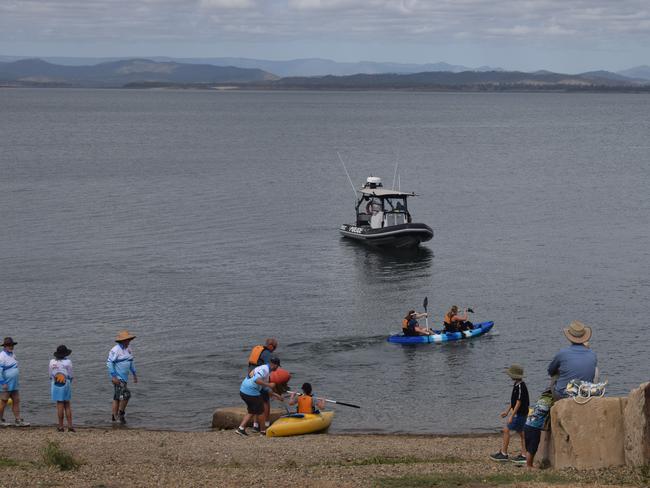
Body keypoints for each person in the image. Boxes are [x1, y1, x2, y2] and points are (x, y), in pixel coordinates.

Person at [547, 321, 597, 401]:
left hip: (563, 395)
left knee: (555, 374)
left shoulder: (562, 353)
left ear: (570, 337)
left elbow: (550, 371)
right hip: (585, 394)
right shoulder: (592, 354)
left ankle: (551, 403)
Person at [490, 364, 529, 464]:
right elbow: (513, 402)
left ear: (515, 376)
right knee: (522, 434)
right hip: (520, 413)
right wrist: (507, 412)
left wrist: (512, 415)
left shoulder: (521, 386)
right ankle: (524, 455)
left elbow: (519, 402)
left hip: (520, 413)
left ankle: (504, 454)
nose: (509, 376)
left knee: (506, 430)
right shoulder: (516, 384)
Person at [237, 356, 284, 436]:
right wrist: (269, 384)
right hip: (250, 392)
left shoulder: (265, 369)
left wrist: (276, 395)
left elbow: (264, 389)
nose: (277, 368)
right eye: (277, 366)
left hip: (243, 391)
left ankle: (241, 429)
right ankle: (263, 431)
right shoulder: (264, 370)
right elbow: (256, 380)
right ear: (273, 365)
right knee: (261, 412)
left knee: (252, 411)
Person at [107, 330, 138, 424]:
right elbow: (109, 363)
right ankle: (121, 413)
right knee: (126, 394)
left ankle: (113, 417)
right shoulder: (115, 350)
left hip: (124, 378)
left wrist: (134, 374)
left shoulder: (128, 349)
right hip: (117, 377)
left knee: (117, 397)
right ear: (122, 340)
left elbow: (131, 362)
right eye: (127, 340)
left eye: (129, 340)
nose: (129, 341)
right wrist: (114, 376)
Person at [247, 338, 279, 431]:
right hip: (259, 380)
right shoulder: (267, 354)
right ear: (270, 346)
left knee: (257, 401)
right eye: (274, 347)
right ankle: (266, 424)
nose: (274, 349)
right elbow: (270, 368)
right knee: (265, 401)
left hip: (251, 379)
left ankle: (255, 425)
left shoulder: (258, 350)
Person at [0, 337, 29, 427]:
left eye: (12, 345)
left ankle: (18, 420)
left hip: (14, 383)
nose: (11, 346)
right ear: (4, 346)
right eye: (9, 345)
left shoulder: (12, 354)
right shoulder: (1, 356)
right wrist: (3, 382)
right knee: (4, 402)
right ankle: (0, 420)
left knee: (16, 401)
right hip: (6, 384)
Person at [523, 389, 553, 469]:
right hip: (534, 427)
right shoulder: (550, 401)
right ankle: (529, 466)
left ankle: (529, 464)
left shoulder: (540, 400)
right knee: (532, 448)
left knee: (529, 447)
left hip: (527, 424)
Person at [49, 345, 74, 432]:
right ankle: (70, 426)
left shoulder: (52, 362)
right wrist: (69, 381)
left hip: (55, 383)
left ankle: (60, 426)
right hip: (65, 383)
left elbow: (50, 374)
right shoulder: (68, 362)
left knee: (59, 405)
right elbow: (70, 375)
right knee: (67, 404)